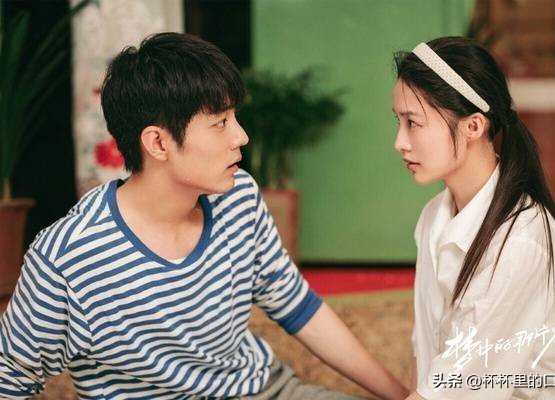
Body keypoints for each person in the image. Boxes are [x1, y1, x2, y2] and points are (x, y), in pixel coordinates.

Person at [0, 32, 407, 400]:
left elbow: (298, 307)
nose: (241, 136)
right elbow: (9, 379)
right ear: (158, 143)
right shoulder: (69, 259)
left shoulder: (238, 197)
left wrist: (403, 397)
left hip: (264, 390)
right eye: (220, 122)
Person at [391, 37, 555, 399]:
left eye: (413, 123)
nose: (400, 142)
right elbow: (425, 357)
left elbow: (459, 386)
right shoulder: (433, 217)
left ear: (473, 126)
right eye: (399, 121)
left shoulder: (521, 240)